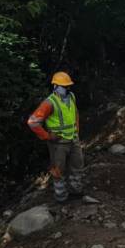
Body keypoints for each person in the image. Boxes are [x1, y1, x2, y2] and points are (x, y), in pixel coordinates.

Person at [27, 72, 84, 203]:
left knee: (77, 165)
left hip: (73, 139)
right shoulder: (49, 103)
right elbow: (32, 122)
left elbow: (76, 114)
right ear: (55, 86)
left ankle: (76, 192)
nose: (67, 89)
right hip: (58, 143)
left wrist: (76, 132)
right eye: (64, 86)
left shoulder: (72, 97)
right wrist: (47, 136)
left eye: (68, 86)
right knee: (58, 170)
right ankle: (61, 198)